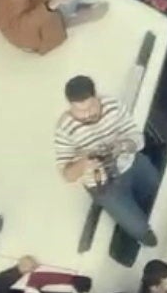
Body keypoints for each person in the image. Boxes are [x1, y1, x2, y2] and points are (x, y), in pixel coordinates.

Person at [54, 75, 160, 247]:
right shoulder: (64, 129)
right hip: (104, 185)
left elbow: (137, 136)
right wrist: (84, 164)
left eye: (90, 107)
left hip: (132, 163)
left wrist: (126, 145)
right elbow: (67, 175)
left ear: (97, 97)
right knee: (140, 230)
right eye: (79, 110)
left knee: (157, 187)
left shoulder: (113, 106)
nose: (86, 114)